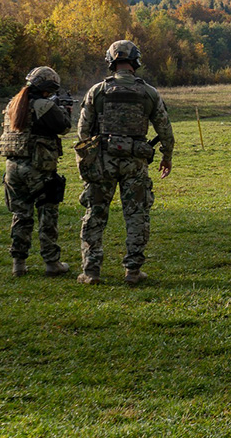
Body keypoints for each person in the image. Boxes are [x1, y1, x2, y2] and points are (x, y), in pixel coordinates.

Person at [75, 40, 174, 286]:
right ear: (135, 62)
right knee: (136, 215)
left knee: (95, 214)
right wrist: (166, 156)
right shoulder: (149, 92)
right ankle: (132, 271)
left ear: (111, 61)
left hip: (102, 163)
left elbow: (83, 131)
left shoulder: (97, 91)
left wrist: (88, 160)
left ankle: (91, 271)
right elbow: (165, 130)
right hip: (135, 163)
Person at [0, 66, 74, 277]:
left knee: (21, 215)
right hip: (38, 168)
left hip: (13, 169)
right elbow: (64, 127)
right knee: (47, 215)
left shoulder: (13, 104)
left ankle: (18, 264)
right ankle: (52, 263)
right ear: (47, 88)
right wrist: (64, 110)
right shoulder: (43, 105)